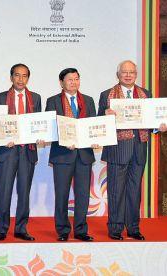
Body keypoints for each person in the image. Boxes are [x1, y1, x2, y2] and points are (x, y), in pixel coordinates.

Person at [98, 60, 167, 240]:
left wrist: (158, 127)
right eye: (124, 72)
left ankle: (133, 228)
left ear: (136, 74)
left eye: (132, 72)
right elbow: (98, 122)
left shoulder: (145, 94)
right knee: (115, 191)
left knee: (134, 190)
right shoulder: (107, 95)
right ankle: (115, 229)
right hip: (117, 149)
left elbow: (151, 120)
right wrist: (104, 116)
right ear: (118, 74)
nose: (128, 75)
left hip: (139, 148)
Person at [44, 68, 97, 242]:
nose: (73, 82)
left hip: (84, 154)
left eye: (76, 79)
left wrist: (95, 139)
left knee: (82, 194)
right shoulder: (53, 101)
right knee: (62, 194)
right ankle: (63, 230)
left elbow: (93, 125)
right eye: (69, 79)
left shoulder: (88, 101)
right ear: (61, 82)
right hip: (62, 154)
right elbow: (50, 128)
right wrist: (63, 140)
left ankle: (81, 230)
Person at [0, 63, 44, 241]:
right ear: (11, 77)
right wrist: (2, 137)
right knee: (4, 191)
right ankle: (2, 229)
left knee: (24, 192)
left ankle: (21, 228)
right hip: (8, 152)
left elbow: (39, 123)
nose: (20, 79)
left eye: (24, 76)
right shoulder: (0, 98)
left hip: (27, 151)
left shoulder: (35, 98)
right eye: (17, 75)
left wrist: (40, 136)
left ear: (28, 78)